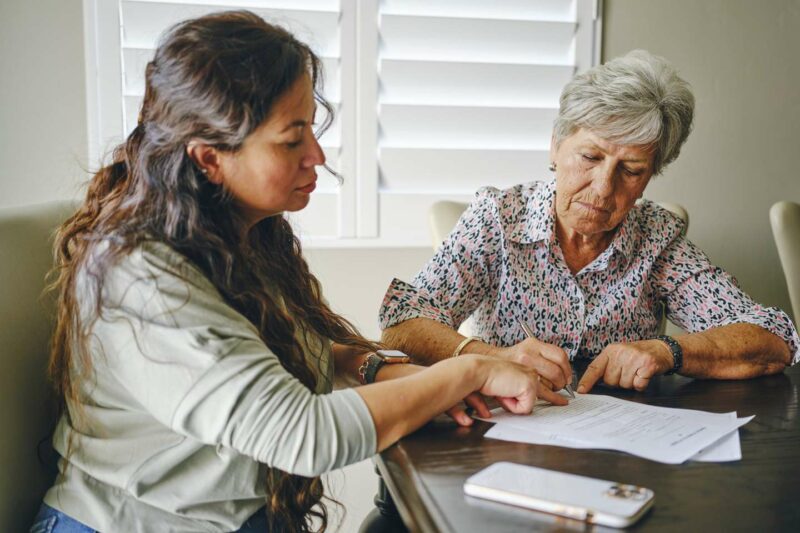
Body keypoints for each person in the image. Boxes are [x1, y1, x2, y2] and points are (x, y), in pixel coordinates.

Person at [31, 11, 566, 533]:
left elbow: (288, 352)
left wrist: (380, 368)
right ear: (209, 158)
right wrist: (469, 371)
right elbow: (303, 433)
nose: (317, 155)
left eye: (312, 127)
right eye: (292, 140)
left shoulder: (239, 233)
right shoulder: (141, 277)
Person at [379, 50, 799, 395]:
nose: (602, 188)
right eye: (591, 157)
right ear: (556, 147)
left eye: (631, 169)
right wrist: (491, 356)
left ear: (650, 176)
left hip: (623, 444)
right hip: (508, 430)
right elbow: (402, 323)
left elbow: (773, 339)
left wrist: (667, 349)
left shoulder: (658, 239)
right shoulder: (499, 219)